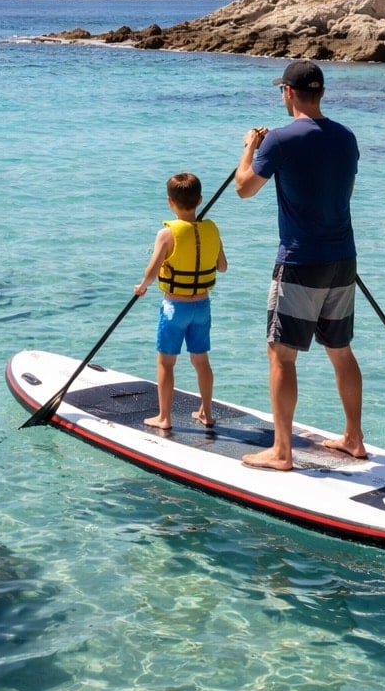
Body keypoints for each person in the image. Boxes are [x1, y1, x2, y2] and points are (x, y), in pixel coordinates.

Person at [234, 59, 365, 471]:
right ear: (320, 93)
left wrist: (250, 147)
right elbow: (343, 192)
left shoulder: (280, 141)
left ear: (288, 93)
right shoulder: (347, 139)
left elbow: (243, 189)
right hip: (342, 259)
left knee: (281, 354)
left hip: (299, 261)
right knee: (341, 351)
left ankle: (282, 451)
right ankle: (353, 439)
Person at [134, 172, 228, 430]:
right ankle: (206, 413)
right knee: (201, 360)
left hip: (175, 308)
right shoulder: (212, 229)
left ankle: (164, 418)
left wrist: (142, 287)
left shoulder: (166, 234)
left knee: (166, 362)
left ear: (169, 202)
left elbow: (152, 271)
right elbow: (222, 267)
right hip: (202, 307)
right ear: (200, 199)